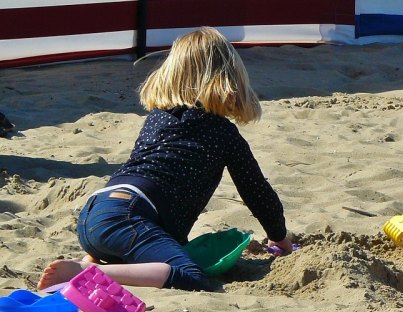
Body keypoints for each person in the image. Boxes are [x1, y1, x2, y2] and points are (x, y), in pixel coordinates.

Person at [37, 27, 292, 292]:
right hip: (127, 217)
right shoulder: (223, 133)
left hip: (94, 214)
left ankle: (95, 258)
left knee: (144, 248)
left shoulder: (157, 118)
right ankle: (88, 271)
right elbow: (256, 191)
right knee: (190, 276)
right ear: (230, 79)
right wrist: (279, 237)